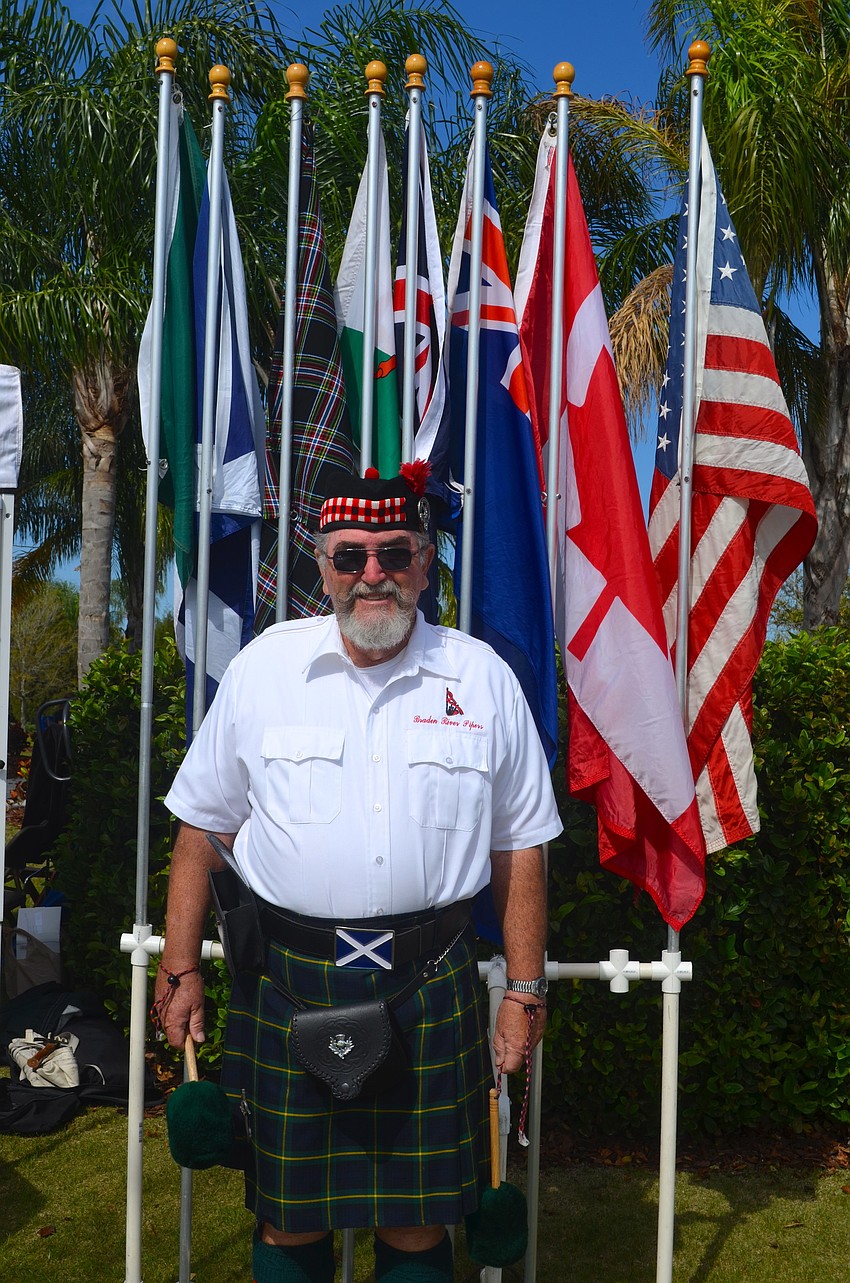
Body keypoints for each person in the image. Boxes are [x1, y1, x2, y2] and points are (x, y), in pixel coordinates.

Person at [154, 462, 563, 1283]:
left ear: (424, 561)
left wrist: (525, 989)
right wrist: (179, 965)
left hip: (431, 979)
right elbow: (203, 824)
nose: (371, 573)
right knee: (286, 1215)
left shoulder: (480, 678)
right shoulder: (266, 670)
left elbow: (521, 846)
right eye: (350, 555)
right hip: (288, 978)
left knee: (418, 1220)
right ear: (320, 563)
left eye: (392, 552)